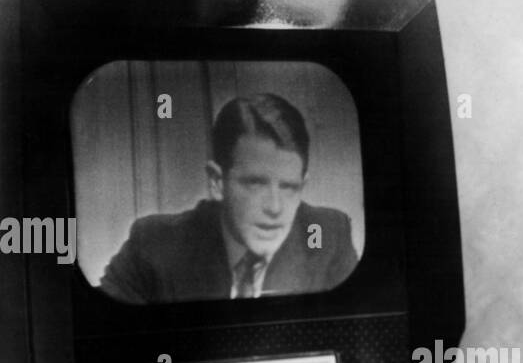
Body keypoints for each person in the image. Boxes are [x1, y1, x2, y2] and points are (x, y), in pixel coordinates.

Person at [100, 93, 358, 303]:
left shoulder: (331, 237)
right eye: (255, 184)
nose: (275, 208)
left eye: (290, 187)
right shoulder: (155, 243)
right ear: (216, 181)